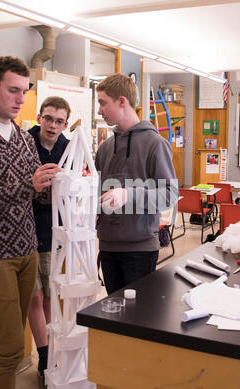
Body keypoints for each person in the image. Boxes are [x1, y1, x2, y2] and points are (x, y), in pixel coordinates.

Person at [0, 56, 60, 389]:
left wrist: (58, 186)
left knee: (7, 344)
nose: (20, 99)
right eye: (13, 90)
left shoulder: (25, 138)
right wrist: (31, 185)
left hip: (27, 250)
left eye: (24, 91)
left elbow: (34, 196)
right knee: (9, 347)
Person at [95, 73, 178, 296]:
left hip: (139, 251)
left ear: (122, 101)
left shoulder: (154, 144)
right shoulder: (105, 148)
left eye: (103, 103)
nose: (99, 110)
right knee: (114, 317)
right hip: (108, 247)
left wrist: (129, 195)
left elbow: (169, 195)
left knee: (138, 320)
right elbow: (98, 196)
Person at [28, 96, 71, 386]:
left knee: (48, 298)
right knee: (33, 296)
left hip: (54, 231)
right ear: (39, 117)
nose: (53, 125)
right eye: (48, 119)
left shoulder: (68, 148)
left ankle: (50, 355)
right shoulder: (24, 142)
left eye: (59, 121)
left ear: (65, 124)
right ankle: (44, 358)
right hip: (24, 232)